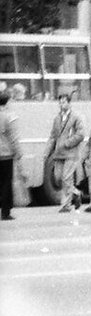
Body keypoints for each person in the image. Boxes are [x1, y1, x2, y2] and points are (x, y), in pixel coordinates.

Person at [44, 93, 86, 212]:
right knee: (58, 178)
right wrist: (47, 152)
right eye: (60, 102)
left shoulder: (76, 117)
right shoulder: (57, 119)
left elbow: (81, 134)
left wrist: (68, 143)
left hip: (71, 153)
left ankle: (66, 205)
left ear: (69, 103)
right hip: (58, 153)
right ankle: (76, 193)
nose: (61, 104)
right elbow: (53, 136)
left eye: (64, 102)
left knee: (66, 177)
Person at [0, 90, 21, 221]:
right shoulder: (8, 117)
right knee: (6, 183)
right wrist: (18, 152)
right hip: (6, 154)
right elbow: (13, 138)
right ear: (6, 103)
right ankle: (5, 212)